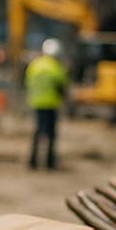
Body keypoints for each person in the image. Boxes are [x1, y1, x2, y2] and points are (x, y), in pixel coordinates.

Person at [25, 38, 69, 169]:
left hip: (37, 103)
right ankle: (49, 162)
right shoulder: (56, 68)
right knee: (51, 134)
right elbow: (61, 87)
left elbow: (28, 83)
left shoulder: (34, 66)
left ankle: (32, 161)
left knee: (38, 132)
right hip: (51, 105)